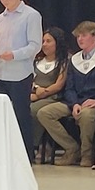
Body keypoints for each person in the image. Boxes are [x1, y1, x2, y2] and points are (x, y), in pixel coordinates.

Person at [37, 21, 95, 166]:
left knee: (86, 115)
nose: (80, 39)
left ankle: (87, 155)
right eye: (78, 36)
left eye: (84, 36)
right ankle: (72, 148)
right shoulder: (75, 59)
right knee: (45, 113)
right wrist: (74, 104)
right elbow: (70, 87)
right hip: (76, 102)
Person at [0, 0, 42, 161]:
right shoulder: (1, 18)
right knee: (0, 115)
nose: (4, 0)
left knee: (21, 114)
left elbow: (35, 45)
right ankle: (3, 154)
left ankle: (26, 155)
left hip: (19, 74)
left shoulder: (31, 15)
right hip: (0, 73)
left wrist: (14, 54)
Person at [29, 27, 69, 160]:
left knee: (33, 109)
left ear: (57, 43)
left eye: (48, 41)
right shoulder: (36, 61)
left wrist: (41, 93)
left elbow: (59, 85)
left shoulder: (63, 62)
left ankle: (33, 146)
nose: (44, 44)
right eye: (43, 41)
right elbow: (30, 80)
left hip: (53, 97)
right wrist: (35, 91)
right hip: (35, 94)